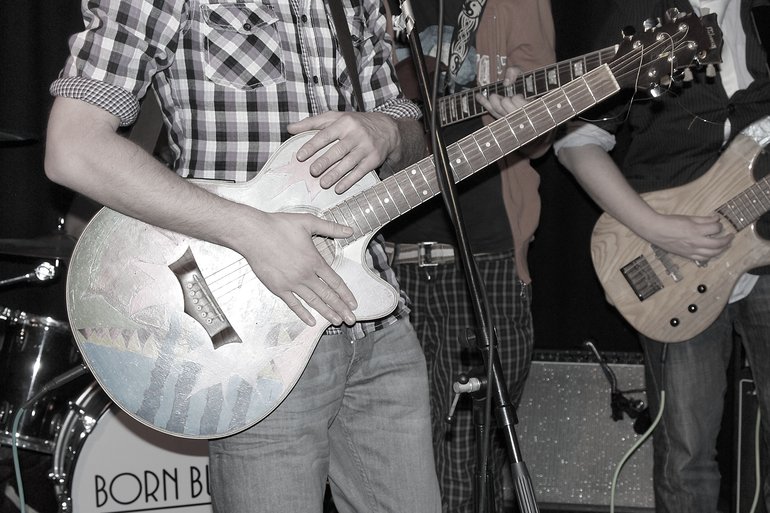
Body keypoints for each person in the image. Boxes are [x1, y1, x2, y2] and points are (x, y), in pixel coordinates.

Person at [43, 0, 443, 511]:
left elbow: (406, 126)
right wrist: (254, 233)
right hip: (257, 334)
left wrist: (388, 132)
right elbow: (73, 146)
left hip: (376, 325)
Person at [551, 0, 770, 511]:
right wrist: (657, 228)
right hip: (668, 257)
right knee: (686, 455)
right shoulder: (640, 14)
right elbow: (577, 140)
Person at [382, 0, 554, 510]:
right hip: (383, 260)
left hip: (487, 259)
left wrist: (528, 107)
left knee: (472, 472)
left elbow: (541, 139)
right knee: (393, 462)